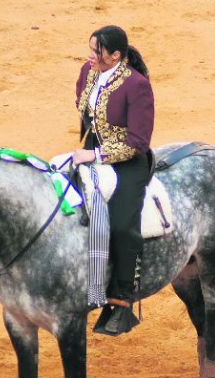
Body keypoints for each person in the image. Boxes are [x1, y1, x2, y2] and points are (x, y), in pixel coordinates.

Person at [71, 25, 155, 337]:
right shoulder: (88, 72)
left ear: (115, 56)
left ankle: (121, 301)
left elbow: (138, 141)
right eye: (90, 49)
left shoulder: (137, 86)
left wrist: (95, 155)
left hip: (128, 163)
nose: (89, 56)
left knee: (121, 225)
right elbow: (84, 108)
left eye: (96, 52)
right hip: (90, 151)